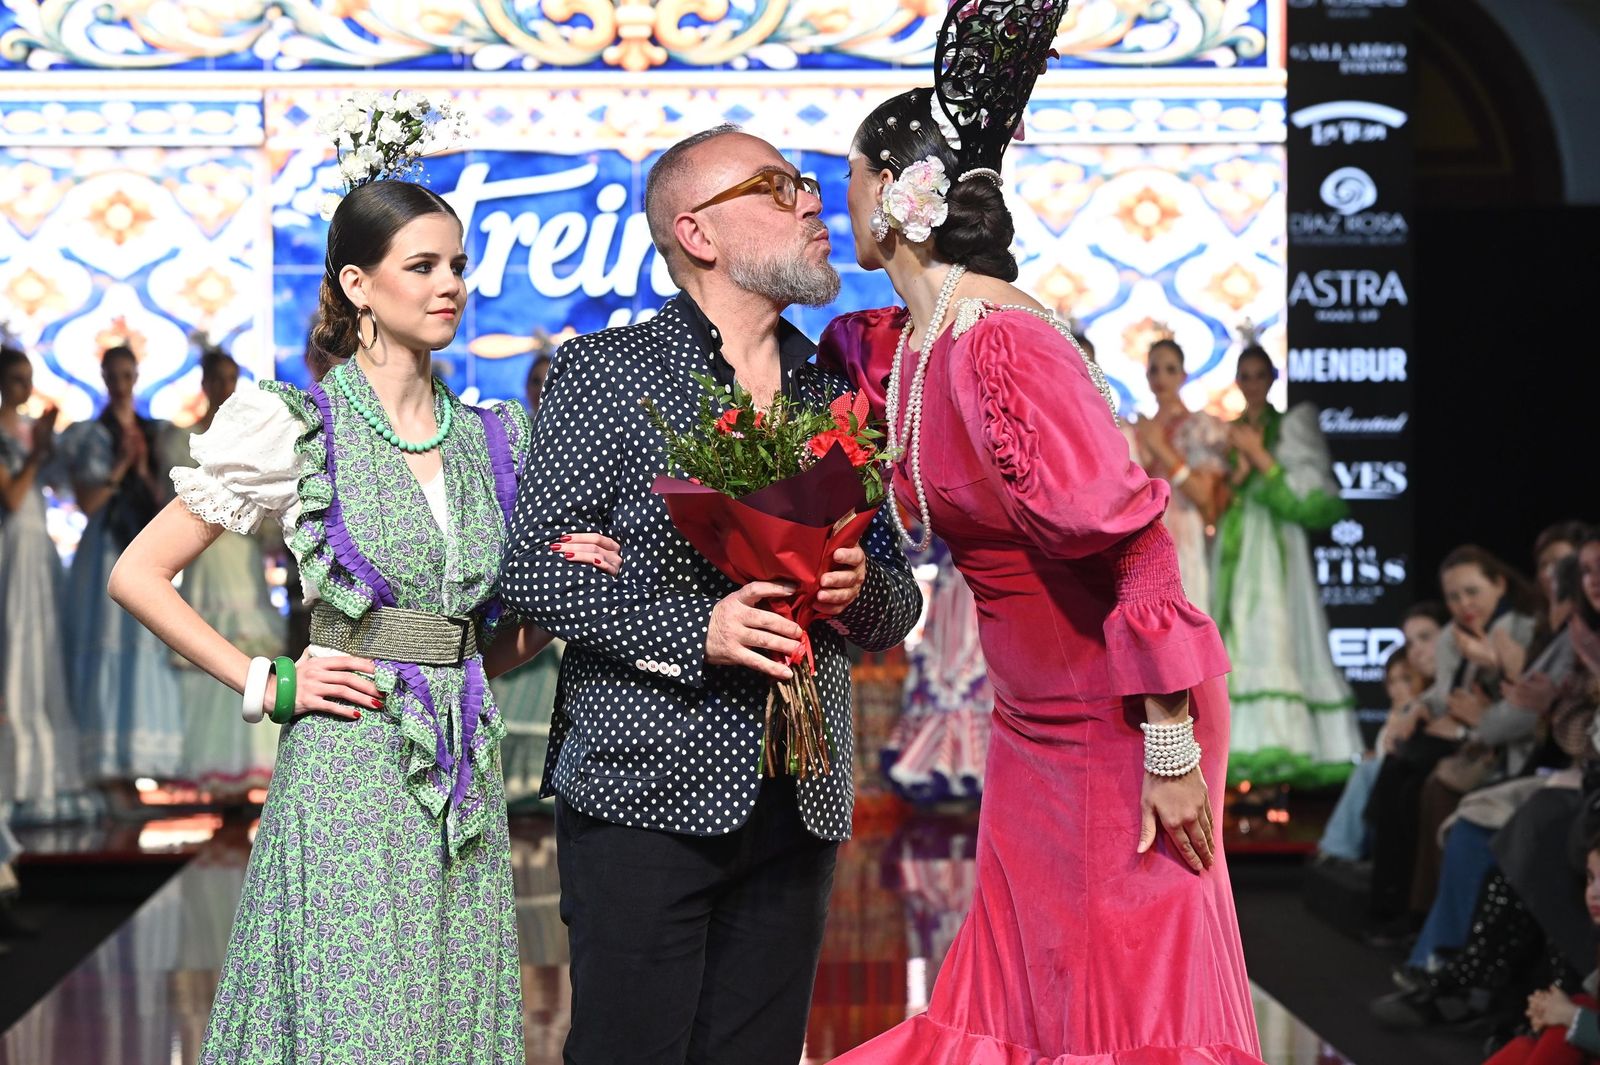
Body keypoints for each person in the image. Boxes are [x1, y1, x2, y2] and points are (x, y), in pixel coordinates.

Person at [816, 3, 1262, 1058]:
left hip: (1119, 724)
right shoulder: (920, 343)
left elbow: (1135, 540)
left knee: (1126, 999)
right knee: (1029, 997)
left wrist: (1166, 746)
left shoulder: (1005, 343)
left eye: (846, 175)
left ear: (892, 193)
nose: (840, 198)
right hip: (1031, 728)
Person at [107, 176, 620, 1061]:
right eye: (421, 265)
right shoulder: (298, 424)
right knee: (363, 1020)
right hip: (347, 769)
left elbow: (478, 649)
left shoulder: (495, 434)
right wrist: (269, 680)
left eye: (457, 263)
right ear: (356, 285)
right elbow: (138, 574)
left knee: (453, 1012)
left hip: (463, 770)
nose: (448, 283)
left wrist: (561, 593)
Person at [498, 126, 923, 1065]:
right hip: (641, 790)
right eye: (778, 188)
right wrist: (701, 626)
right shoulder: (609, 374)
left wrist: (858, 593)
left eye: (812, 184)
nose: (813, 202)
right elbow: (531, 572)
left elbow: (901, 602)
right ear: (699, 233)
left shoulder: (838, 390)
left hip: (799, 798)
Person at [1366, 546, 1540, 942]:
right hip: (1467, 741)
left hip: (1497, 750)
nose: (1464, 604)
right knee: (1397, 770)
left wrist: (1472, 726)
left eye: (1472, 592)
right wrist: (1419, 710)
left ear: (1499, 583)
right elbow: (1446, 694)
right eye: (1454, 596)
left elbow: (1528, 713)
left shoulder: (1521, 629)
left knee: (1429, 786)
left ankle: (1426, 920)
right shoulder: (1452, 637)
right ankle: (1396, 907)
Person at [1213, 344, 1360, 787]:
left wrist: (1262, 457)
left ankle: (1282, 768)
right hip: (1233, 551)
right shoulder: (1226, 433)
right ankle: (1235, 773)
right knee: (1235, 637)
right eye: (1245, 375)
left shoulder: (1292, 426)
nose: (1252, 383)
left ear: (1272, 379)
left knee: (1275, 634)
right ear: (1237, 381)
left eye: (1260, 375)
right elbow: (1215, 503)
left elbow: (1314, 503)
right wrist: (1238, 469)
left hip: (1277, 550)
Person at [158, 346, 286, 804]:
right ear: (205, 383)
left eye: (232, 377)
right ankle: (214, 780)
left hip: (243, 559)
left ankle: (254, 776)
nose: (224, 386)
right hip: (206, 558)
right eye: (218, 378)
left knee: (250, 651)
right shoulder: (183, 442)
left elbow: (271, 515)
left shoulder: (254, 444)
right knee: (207, 653)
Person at [58, 344, 181, 800]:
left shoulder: (156, 432)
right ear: (105, 378)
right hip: (106, 549)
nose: (122, 382)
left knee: (144, 644)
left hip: (145, 544)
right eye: (114, 375)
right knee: (107, 643)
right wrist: (121, 466)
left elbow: (163, 502)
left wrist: (144, 467)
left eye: (128, 374)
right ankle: (108, 769)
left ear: (137, 375)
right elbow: (89, 502)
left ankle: (140, 766)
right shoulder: (90, 435)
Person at [0, 345, 95, 825]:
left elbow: (59, 488)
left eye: (27, 379)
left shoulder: (22, 432)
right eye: (17, 379)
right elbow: (13, 497)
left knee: (42, 650)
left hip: (39, 547)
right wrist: (36, 453)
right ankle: (17, 780)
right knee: (17, 647)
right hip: (12, 548)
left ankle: (48, 777)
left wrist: (47, 446)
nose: (23, 389)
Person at [490, 345, 561, 809]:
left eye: (551, 379)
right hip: (514, 581)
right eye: (536, 381)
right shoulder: (512, 440)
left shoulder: (580, 439)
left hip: (564, 588)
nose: (544, 388)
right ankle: (510, 789)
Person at [1125, 337, 1227, 609]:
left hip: (1185, 533)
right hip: (1143, 540)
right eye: (1154, 370)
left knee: (1186, 611)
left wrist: (1159, 447)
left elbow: (1204, 496)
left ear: (1183, 375)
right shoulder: (1136, 430)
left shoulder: (1199, 427)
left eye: (1170, 369)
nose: (1161, 377)